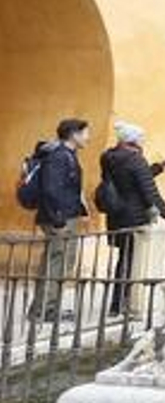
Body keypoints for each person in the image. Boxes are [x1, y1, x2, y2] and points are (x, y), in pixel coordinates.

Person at [100, 121, 165, 315]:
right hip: (134, 216)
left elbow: (133, 179)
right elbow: (149, 190)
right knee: (134, 260)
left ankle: (117, 304)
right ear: (133, 141)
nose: (143, 142)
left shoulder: (108, 157)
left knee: (123, 258)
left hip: (116, 214)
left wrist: (160, 166)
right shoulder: (135, 160)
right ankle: (126, 303)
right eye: (141, 138)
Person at [27, 118, 91, 322]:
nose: (87, 137)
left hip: (64, 215)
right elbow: (50, 189)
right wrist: (59, 220)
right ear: (74, 134)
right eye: (85, 133)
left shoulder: (66, 155)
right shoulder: (60, 156)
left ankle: (46, 308)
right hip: (60, 218)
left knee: (59, 263)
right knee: (57, 264)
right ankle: (43, 310)